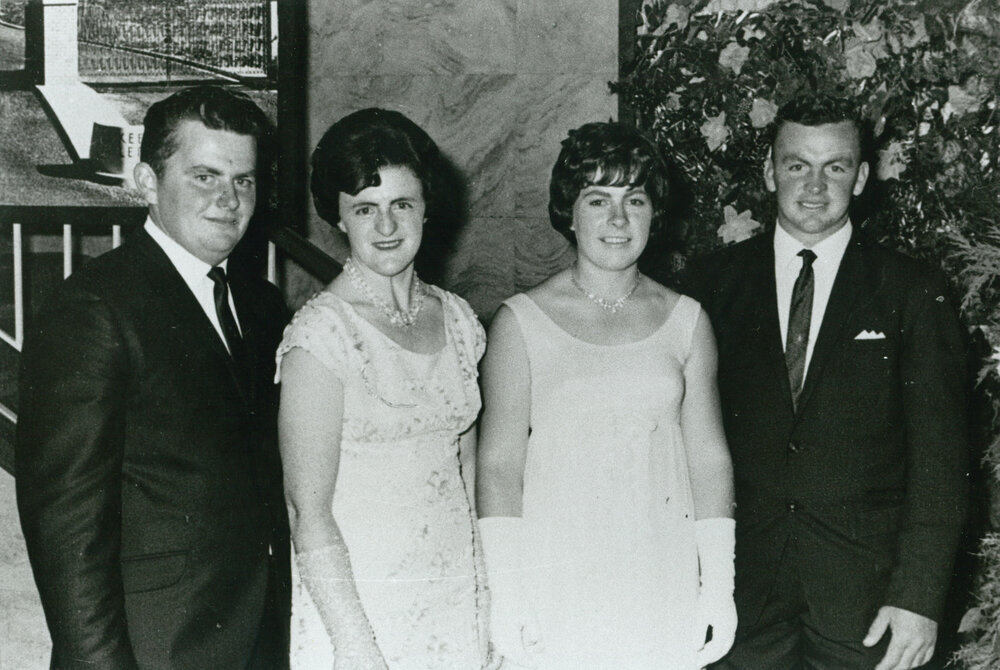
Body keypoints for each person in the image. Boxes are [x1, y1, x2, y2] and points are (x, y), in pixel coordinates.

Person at [683, 95, 969, 670]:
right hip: (739, 600)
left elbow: (943, 462)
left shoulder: (912, 290)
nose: (815, 185)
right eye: (797, 165)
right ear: (769, 171)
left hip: (866, 608)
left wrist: (917, 599)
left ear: (861, 177)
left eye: (835, 166)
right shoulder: (709, 287)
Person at [15, 86, 291, 669]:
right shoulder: (92, 309)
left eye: (243, 181)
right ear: (146, 182)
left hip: (260, 642)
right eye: (204, 176)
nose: (229, 200)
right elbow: (67, 532)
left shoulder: (263, 307)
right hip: (154, 650)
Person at [476, 121, 737, 670]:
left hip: (660, 577)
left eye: (634, 200)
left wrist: (717, 585)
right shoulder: (521, 323)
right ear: (570, 213)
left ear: (652, 214)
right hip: (557, 582)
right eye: (598, 199)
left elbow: (709, 461)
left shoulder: (688, 321)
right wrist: (508, 591)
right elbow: (499, 467)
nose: (617, 219)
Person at [276, 108, 488, 669]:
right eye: (365, 209)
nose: (387, 226)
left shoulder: (460, 320)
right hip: (362, 615)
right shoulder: (320, 337)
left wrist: (486, 603)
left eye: (402, 204)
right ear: (339, 219)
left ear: (425, 207)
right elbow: (308, 511)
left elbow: (466, 480)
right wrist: (357, 647)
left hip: (453, 601)